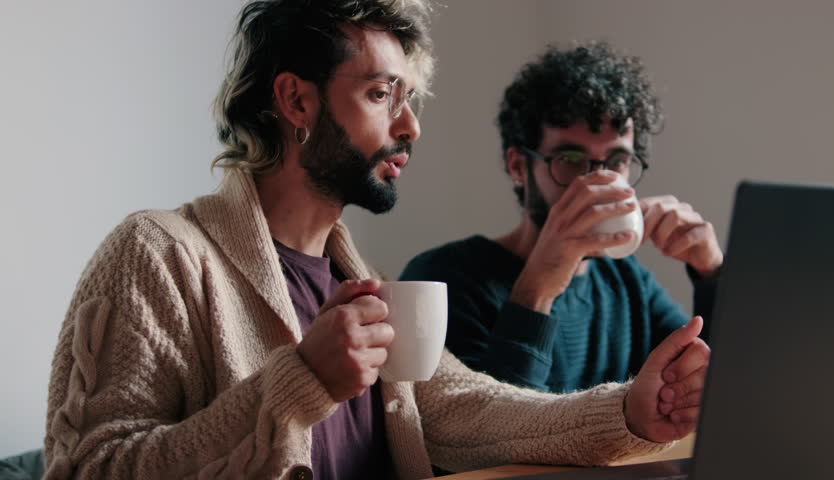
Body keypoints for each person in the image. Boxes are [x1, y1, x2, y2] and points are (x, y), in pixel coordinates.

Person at [44, 4, 710, 479]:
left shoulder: (357, 278)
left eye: (409, 97)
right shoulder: (158, 253)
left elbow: (469, 411)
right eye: (381, 93)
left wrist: (629, 411)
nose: (411, 126)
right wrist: (299, 382)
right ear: (296, 103)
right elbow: (87, 468)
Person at [401, 42, 722, 394]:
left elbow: (714, 389)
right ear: (518, 166)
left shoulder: (627, 281)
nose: (597, 183)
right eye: (570, 160)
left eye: (616, 161)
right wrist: (536, 291)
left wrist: (713, 275)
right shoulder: (445, 280)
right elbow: (489, 438)